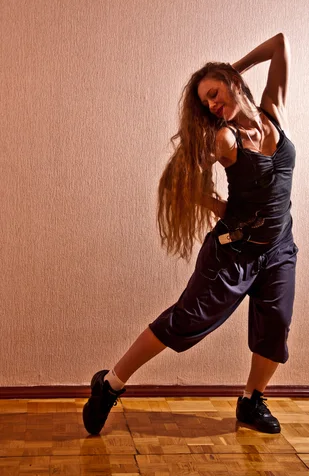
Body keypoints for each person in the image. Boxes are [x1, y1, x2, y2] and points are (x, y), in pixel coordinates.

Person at [83, 32, 298, 436]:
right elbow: (182, 185)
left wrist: (237, 66)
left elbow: (280, 44)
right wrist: (220, 206)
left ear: (231, 81)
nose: (214, 105)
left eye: (214, 93)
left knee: (276, 325)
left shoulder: (274, 112)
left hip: (280, 248)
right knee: (186, 320)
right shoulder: (225, 138)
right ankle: (109, 384)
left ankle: (252, 402)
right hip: (233, 253)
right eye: (207, 103)